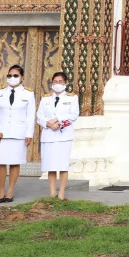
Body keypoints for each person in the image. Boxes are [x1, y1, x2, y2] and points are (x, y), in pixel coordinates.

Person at [0, 64, 36, 204]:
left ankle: (10, 190)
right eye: (9, 75)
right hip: (0, 132)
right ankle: (1, 191)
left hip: (19, 133)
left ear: (22, 78)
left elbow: (30, 116)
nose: (12, 78)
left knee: (14, 162)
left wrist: (29, 134)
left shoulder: (28, 94)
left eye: (15, 76)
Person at [37, 71, 80, 201]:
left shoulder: (72, 98)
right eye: (55, 82)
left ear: (65, 83)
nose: (58, 84)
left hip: (64, 136)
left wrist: (57, 121)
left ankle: (61, 193)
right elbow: (39, 116)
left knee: (62, 165)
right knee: (50, 166)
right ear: (51, 84)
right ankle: (52, 192)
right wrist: (48, 124)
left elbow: (73, 115)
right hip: (49, 135)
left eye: (61, 81)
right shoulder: (45, 99)